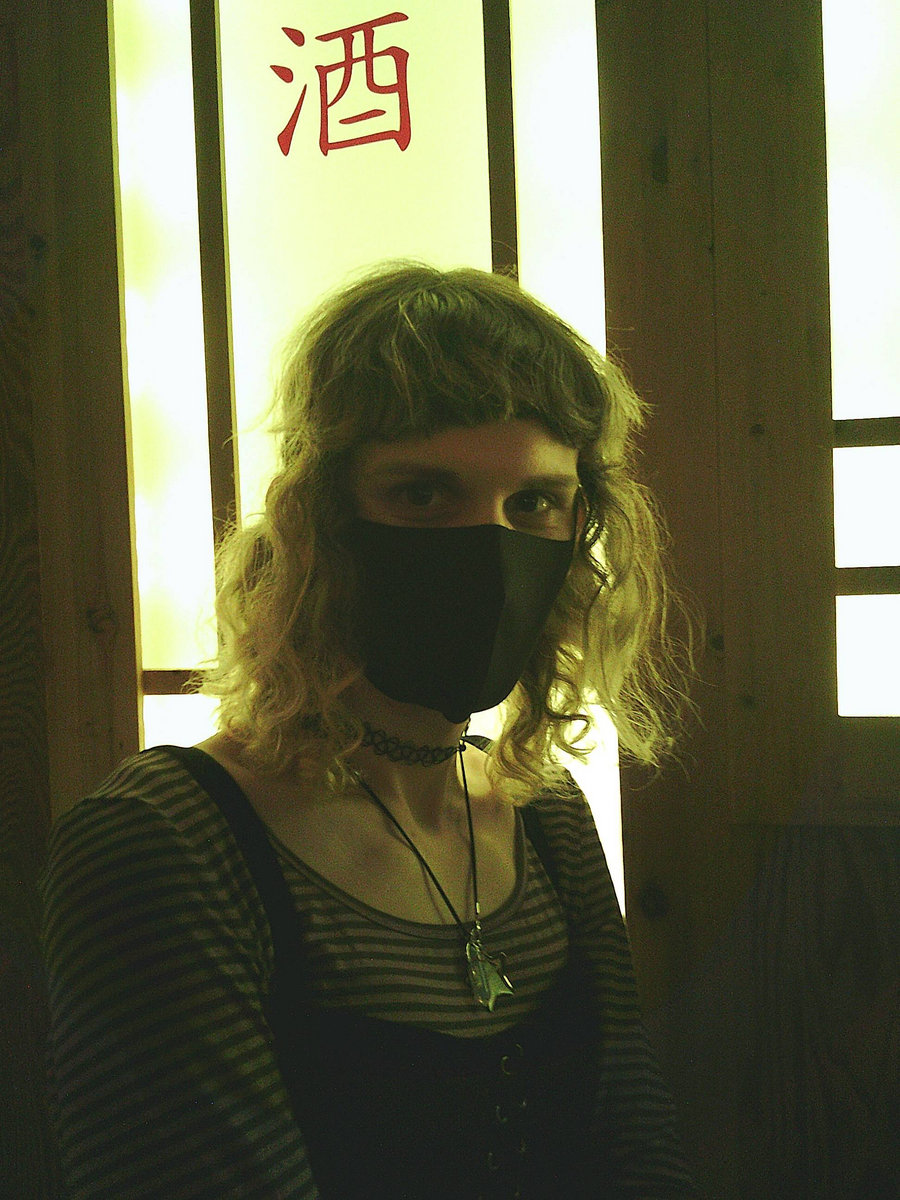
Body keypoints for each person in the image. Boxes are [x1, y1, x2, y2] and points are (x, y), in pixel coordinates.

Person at [41, 263, 696, 1198]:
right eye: (424, 495)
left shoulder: (544, 817)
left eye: (532, 504)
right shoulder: (165, 843)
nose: (489, 552)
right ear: (321, 521)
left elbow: (636, 1143)